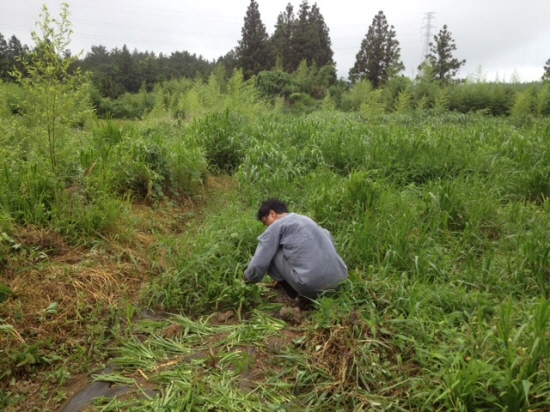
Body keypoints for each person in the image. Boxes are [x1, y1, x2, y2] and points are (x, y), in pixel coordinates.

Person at [243, 199, 348, 301]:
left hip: (313, 288)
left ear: (272, 214)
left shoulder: (277, 225)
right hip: (339, 281)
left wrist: (247, 279)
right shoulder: (305, 219)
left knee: (269, 251)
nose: (267, 227)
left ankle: (294, 295)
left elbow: (260, 261)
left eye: (266, 222)